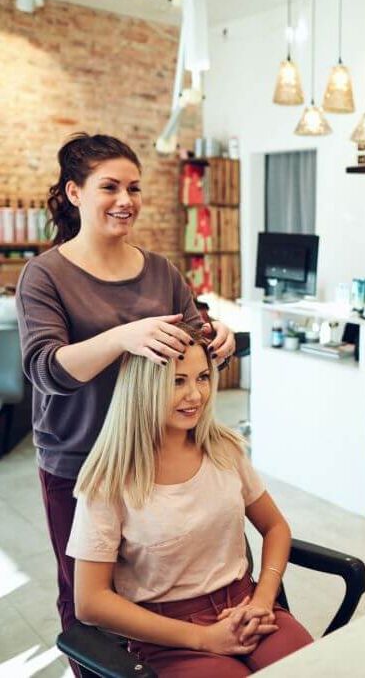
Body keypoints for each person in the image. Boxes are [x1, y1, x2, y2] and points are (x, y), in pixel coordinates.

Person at [15, 134, 236, 673]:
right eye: (109, 186)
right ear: (74, 193)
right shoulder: (45, 275)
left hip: (162, 458)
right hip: (82, 464)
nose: (126, 200)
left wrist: (218, 338)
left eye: (134, 188)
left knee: (164, 586)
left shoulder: (161, 270)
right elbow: (44, 370)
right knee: (89, 601)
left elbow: (193, 344)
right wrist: (121, 337)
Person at [67, 323, 312, 676]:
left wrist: (263, 600)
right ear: (144, 388)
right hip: (169, 636)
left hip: (246, 606)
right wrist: (203, 639)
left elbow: (275, 527)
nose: (196, 395)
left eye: (202, 377)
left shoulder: (224, 449)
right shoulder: (109, 482)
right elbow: (90, 603)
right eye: (178, 381)